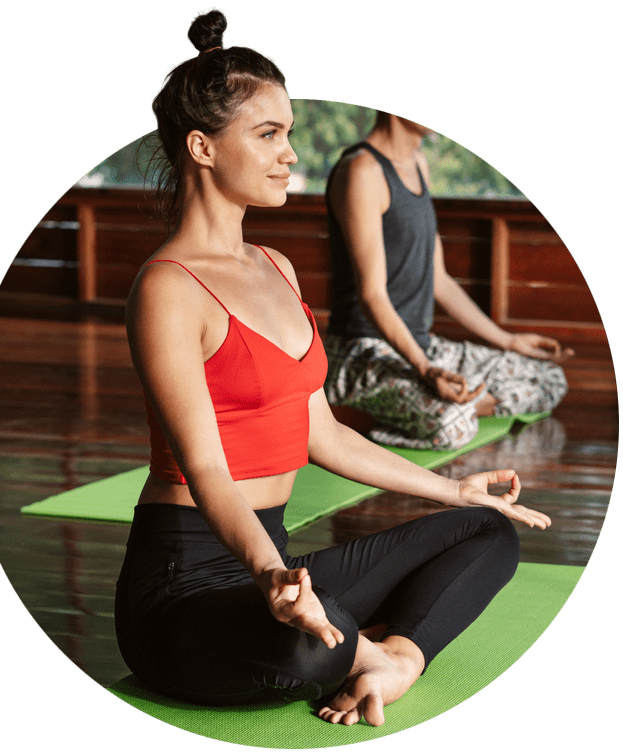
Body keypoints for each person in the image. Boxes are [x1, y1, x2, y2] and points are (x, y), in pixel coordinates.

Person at [114, 9, 551, 728]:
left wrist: (450, 486)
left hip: (272, 566)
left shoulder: (275, 267)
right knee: (307, 648)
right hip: (185, 590)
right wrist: (269, 576)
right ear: (201, 146)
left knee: (487, 528)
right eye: (268, 134)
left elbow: (325, 435)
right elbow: (207, 469)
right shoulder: (167, 287)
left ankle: (394, 660)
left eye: (288, 133)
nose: (291, 154)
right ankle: (354, 649)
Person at [324, 112, 573, 451]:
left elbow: (438, 279)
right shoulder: (362, 171)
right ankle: (351, 413)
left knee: (548, 379)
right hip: (362, 354)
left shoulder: (418, 164)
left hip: (423, 347)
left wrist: (508, 341)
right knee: (453, 425)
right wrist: (426, 371)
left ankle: (446, 407)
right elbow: (372, 295)